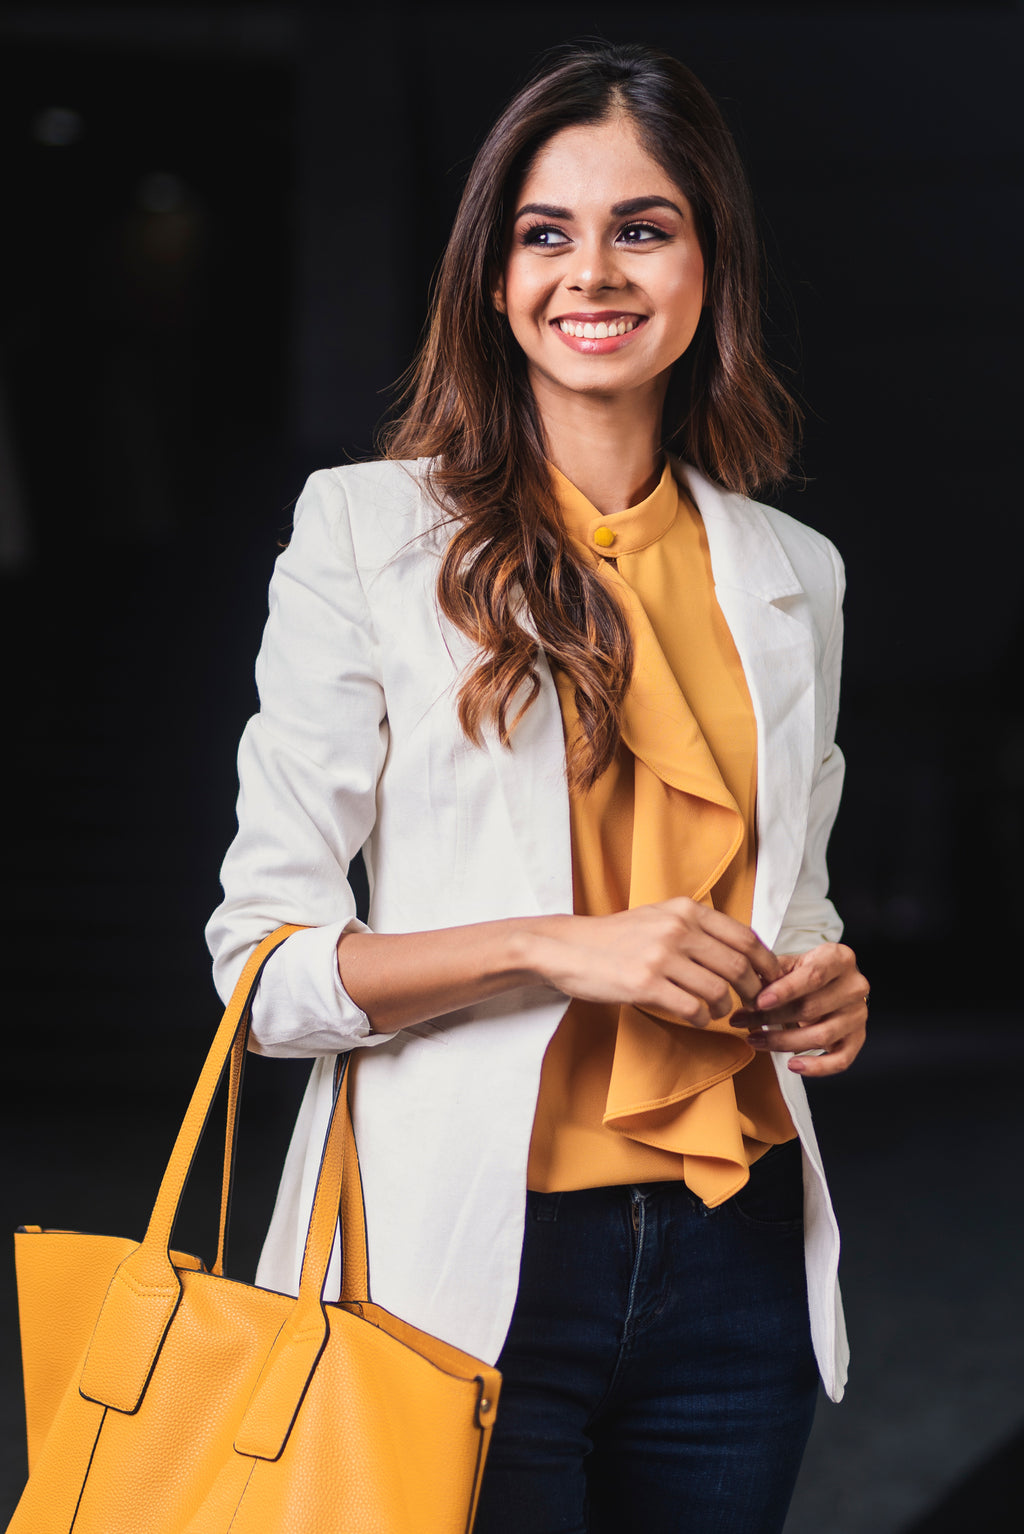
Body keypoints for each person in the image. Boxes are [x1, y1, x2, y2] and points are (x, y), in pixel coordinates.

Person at [207, 42, 868, 1534]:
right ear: (494, 277)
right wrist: (551, 942)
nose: (595, 272)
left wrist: (825, 988)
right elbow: (264, 977)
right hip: (464, 1266)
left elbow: (795, 901)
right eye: (545, 231)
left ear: (707, 268)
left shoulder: (792, 575)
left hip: (735, 1266)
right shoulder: (370, 534)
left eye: (643, 227)